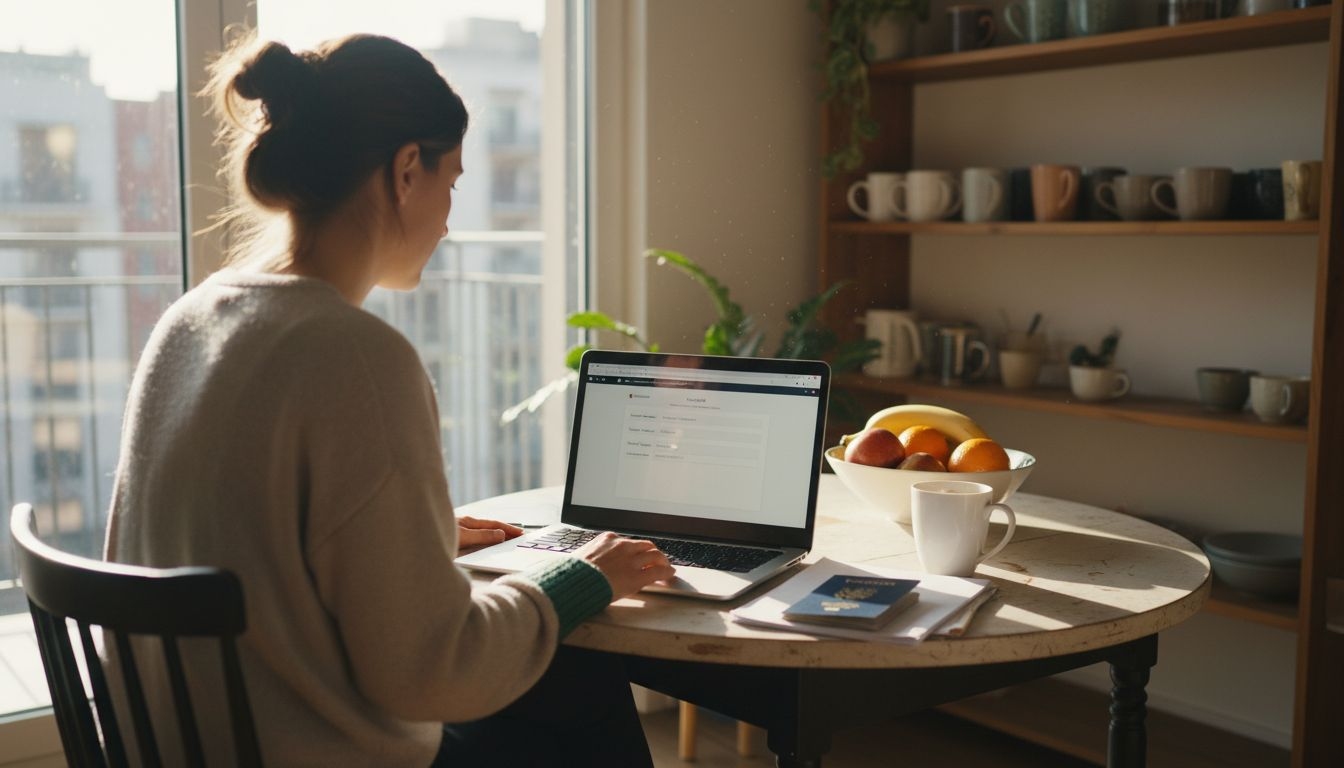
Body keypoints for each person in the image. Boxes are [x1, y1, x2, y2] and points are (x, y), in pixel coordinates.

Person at [103, 32, 674, 767]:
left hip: (188, 744)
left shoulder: (190, 320)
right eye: (452, 183)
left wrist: (418, 538)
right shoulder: (356, 356)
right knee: (581, 669)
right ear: (407, 170)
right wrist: (583, 577)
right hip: (314, 754)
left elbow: (247, 537)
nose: (448, 217)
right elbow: (434, 670)